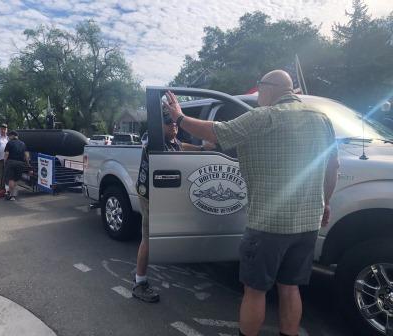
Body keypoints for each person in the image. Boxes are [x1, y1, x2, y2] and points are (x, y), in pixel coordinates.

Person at [164, 70, 339, 336]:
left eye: (259, 90)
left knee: (255, 291)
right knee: (290, 288)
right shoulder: (322, 119)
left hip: (268, 224)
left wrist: (178, 116)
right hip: (307, 224)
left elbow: (214, 132)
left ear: (268, 89)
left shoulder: (262, 117)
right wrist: (325, 203)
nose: (257, 97)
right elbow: (332, 166)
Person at [133, 109, 214, 302]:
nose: (174, 127)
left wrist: (202, 149)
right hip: (150, 196)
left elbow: (181, 146)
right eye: (169, 123)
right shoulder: (155, 141)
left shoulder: (170, 140)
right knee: (148, 239)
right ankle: (139, 283)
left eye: (176, 124)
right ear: (159, 126)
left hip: (158, 193)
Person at [4, 131, 30, 201]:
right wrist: (28, 164)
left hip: (11, 162)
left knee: (11, 179)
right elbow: (27, 155)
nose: (9, 138)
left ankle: (11, 195)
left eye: (9, 136)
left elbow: (6, 154)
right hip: (20, 163)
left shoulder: (9, 143)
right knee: (16, 179)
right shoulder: (23, 143)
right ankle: (14, 195)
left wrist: (5, 162)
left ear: (12, 136)